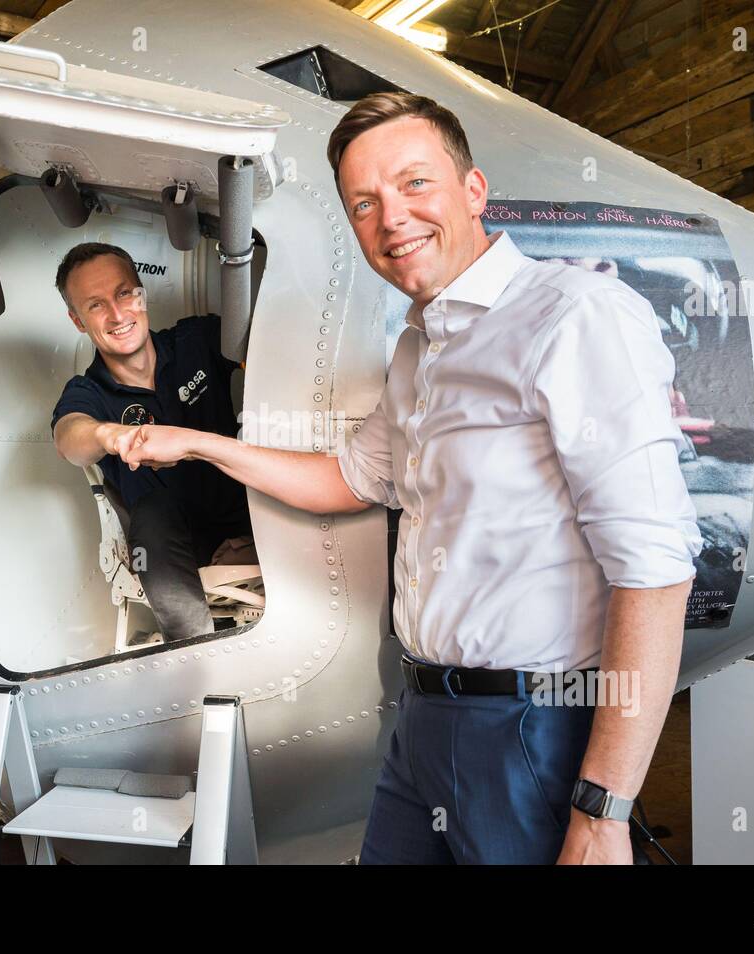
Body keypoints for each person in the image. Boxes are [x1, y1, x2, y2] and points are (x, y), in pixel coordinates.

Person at [121, 92, 702, 864]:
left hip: (531, 728)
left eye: (414, 184)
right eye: (364, 203)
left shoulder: (575, 316)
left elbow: (656, 573)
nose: (391, 217)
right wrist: (197, 444)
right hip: (424, 718)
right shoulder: (416, 351)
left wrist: (602, 813)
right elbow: (351, 481)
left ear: (474, 191)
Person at [50, 242, 253, 642]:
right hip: (176, 550)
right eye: (95, 305)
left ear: (141, 294)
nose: (116, 314)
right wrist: (111, 434)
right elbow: (69, 437)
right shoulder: (89, 392)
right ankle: (192, 648)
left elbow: (263, 350)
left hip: (255, 517)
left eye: (124, 293)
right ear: (77, 320)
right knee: (154, 509)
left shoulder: (195, 340)